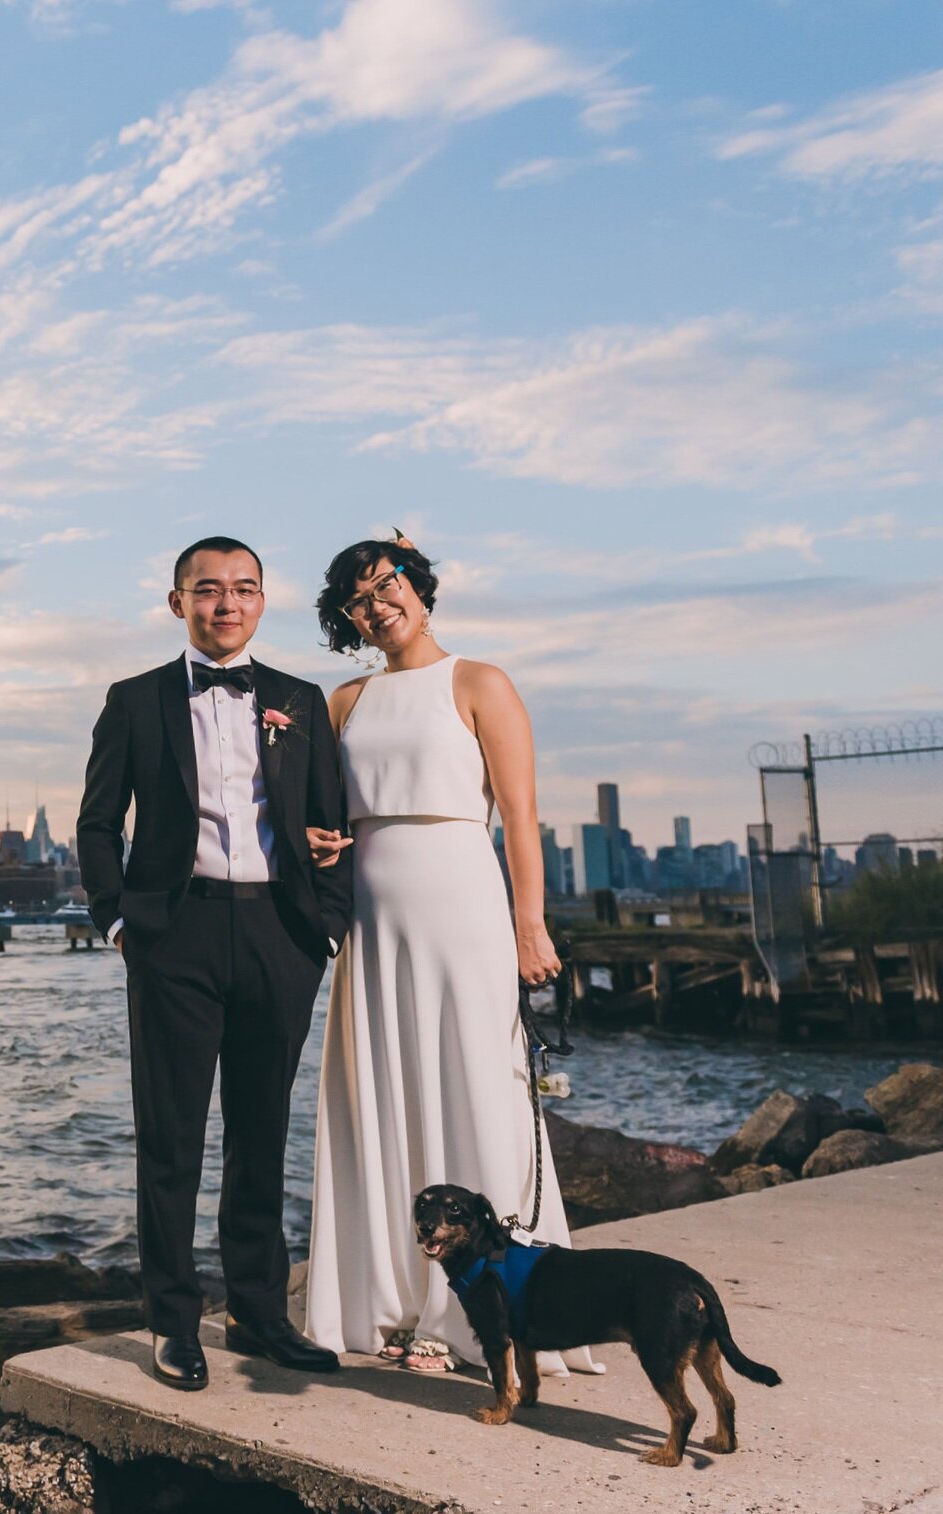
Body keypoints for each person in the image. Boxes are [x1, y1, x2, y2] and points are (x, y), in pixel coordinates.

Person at [301, 533, 596, 1378]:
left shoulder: (480, 682)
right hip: (373, 921)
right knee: (379, 1093)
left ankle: (495, 1309)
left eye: (387, 585)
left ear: (419, 588)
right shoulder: (344, 702)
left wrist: (529, 924)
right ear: (346, 619)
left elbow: (519, 813)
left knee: (474, 1082)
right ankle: (388, 1304)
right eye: (358, 600)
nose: (377, 605)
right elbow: (330, 816)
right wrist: (324, 843)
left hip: (465, 907)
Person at [77, 535, 353, 1390]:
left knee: (264, 1134)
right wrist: (120, 926)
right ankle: (172, 1321)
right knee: (172, 1141)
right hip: (176, 937)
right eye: (206, 591)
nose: (224, 604)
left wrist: (327, 930)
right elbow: (96, 825)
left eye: (241, 590)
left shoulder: (301, 700)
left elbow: (334, 823)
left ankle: (261, 1314)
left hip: (280, 934)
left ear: (262, 602)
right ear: (177, 604)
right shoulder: (133, 700)